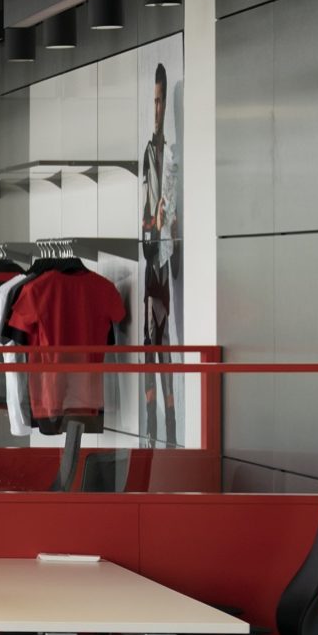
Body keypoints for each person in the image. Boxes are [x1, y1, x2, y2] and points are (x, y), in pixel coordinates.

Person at [139, 63, 183, 443]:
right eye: (154, 101)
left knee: (162, 338)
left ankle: (169, 424)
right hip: (151, 255)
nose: (157, 108)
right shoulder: (148, 153)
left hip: (167, 257)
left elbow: (171, 208)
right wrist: (150, 225)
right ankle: (153, 423)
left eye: (160, 101)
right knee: (149, 339)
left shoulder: (171, 155)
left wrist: (163, 223)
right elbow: (146, 208)